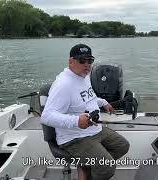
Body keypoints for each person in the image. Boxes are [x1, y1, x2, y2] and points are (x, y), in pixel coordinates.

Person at [41, 44, 130, 180]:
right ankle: (89, 170)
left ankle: (86, 166)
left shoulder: (83, 76)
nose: (87, 65)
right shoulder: (63, 85)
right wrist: (76, 121)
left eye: (90, 60)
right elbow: (46, 116)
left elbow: (88, 97)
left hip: (95, 129)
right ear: (71, 61)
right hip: (74, 138)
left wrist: (103, 102)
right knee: (107, 167)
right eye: (82, 60)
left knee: (122, 146)